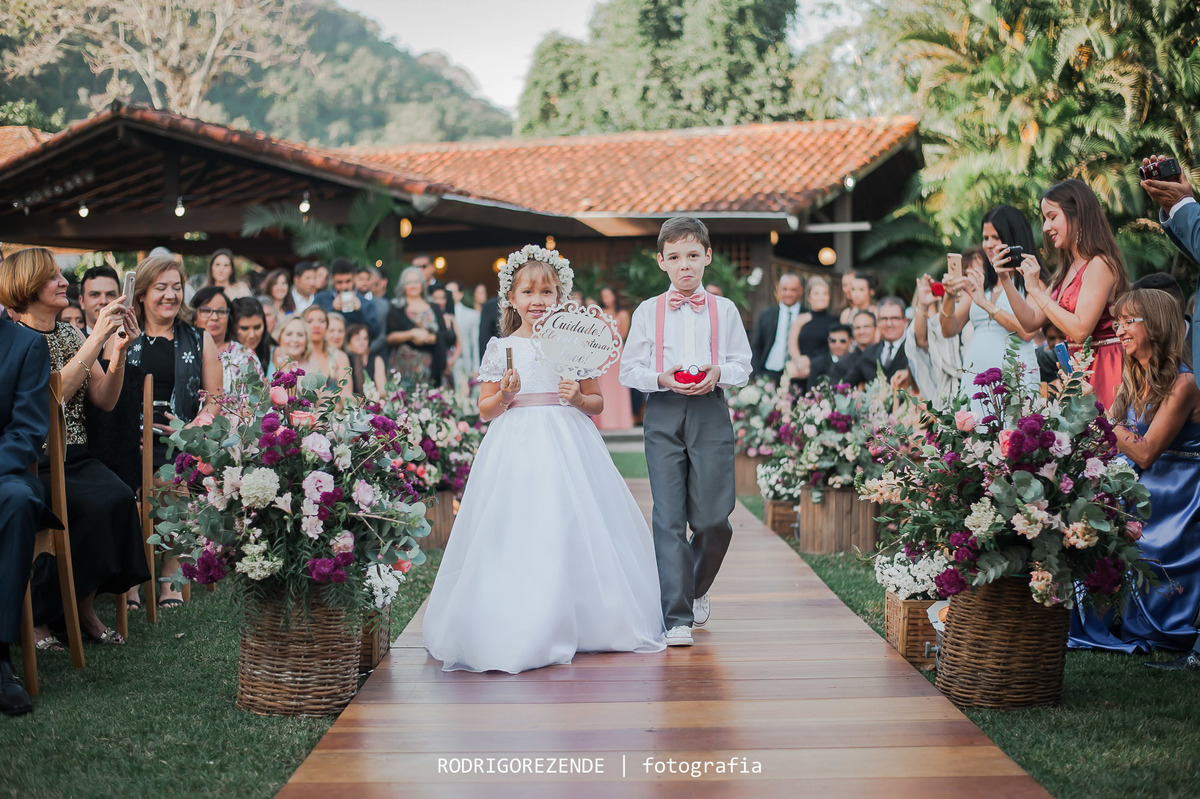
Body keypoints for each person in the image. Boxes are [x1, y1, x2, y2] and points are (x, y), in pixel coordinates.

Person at [422, 245, 665, 672]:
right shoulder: (500, 347)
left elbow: (597, 402)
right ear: (512, 299)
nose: (538, 301)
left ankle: (586, 618)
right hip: (515, 442)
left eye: (547, 292)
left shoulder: (574, 344)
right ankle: (518, 616)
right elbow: (485, 408)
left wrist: (577, 396)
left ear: (560, 297)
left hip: (568, 439)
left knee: (572, 520)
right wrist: (506, 395)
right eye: (529, 292)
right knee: (516, 524)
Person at [0, 247, 149, 646]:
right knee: (88, 507)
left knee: (118, 498)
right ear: (26, 285)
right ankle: (39, 616)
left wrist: (115, 353)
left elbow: (103, 397)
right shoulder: (16, 341)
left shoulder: (70, 334)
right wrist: (97, 335)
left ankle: (81, 606)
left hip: (77, 455)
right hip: (37, 460)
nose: (64, 282)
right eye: (53, 277)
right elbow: (53, 397)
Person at [619, 217, 753, 646]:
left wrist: (720, 372)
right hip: (662, 411)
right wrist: (662, 378)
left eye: (693, 256)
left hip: (710, 411)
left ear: (707, 257)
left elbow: (743, 365)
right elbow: (629, 369)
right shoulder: (646, 311)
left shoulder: (725, 309)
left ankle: (695, 583)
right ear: (662, 262)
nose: (685, 266)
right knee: (669, 517)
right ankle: (677, 617)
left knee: (715, 519)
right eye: (675, 258)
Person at [1068, 289, 1200, 662]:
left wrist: (1096, 409)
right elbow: (1109, 433)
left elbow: (1144, 450)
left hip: (1175, 495)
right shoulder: (1134, 375)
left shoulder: (1183, 384)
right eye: (1119, 321)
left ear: (1156, 325)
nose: (1120, 329)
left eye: (1129, 321)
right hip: (1140, 487)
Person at [124, 254, 222, 608]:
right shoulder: (121, 335)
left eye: (176, 287)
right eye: (160, 287)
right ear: (142, 293)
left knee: (173, 475)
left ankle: (169, 573)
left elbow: (215, 399)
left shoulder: (199, 339)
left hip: (181, 440)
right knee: (126, 481)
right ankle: (131, 578)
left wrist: (191, 429)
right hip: (129, 439)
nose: (170, 295)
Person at [1003, 179, 1130, 408]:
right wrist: (1005, 279)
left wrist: (1036, 291)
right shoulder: (1066, 270)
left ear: (1078, 215)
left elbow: (1081, 331)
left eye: (1052, 217)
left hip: (1104, 366)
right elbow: (1030, 323)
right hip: (1075, 369)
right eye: (1044, 219)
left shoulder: (1100, 264)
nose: (1045, 227)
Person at [942, 208, 1043, 412]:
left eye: (995, 237)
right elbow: (949, 329)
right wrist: (949, 296)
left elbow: (1027, 332)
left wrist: (986, 305)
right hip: (976, 381)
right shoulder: (984, 284)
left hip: (1015, 379)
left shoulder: (1033, 283)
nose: (988, 244)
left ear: (1013, 238)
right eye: (985, 237)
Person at [0, 312, 50, 716]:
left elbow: (28, 432)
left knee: (16, 502)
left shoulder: (26, 344)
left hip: (6, 473)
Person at [386, 266, 455, 386]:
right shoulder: (396, 308)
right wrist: (411, 333)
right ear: (403, 285)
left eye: (416, 281)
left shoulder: (434, 307)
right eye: (408, 282)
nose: (413, 285)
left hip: (430, 367)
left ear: (422, 284)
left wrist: (432, 338)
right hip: (402, 368)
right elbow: (389, 337)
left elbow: (445, 335)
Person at [905, 274, 964, 408]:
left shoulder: (964, 310)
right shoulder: (928, 319)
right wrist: (923, 306)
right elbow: (921, 341)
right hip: (946, 387)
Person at [190, 287, 262, 391]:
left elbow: (259, 400)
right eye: (206, 310)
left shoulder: (245, 356)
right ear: (194, 316)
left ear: (230, 317)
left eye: (221, 311)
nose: (214, 317)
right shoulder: (183, 352)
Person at [842, 297, 910, 388]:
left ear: (905, 322)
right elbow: (846, 385)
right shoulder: (869, 352)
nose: (889, 324)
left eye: (895, 318)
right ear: (877, 322)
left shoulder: (916, 351)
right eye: (884, 319)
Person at [785, 276, 839, 390]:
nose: (821, 297)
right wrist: (799, 362)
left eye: (825, 293)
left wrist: (811, 363)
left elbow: (833, 348)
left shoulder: (835, 321)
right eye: (817, 293)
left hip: (823, 373)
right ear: (809, 297)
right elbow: (792, 344)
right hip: (800, 373)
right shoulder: (801, 319)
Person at [594, 286, 634, 430]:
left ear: (614, 296)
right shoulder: (600, 314)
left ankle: (621, 420)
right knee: (604, 385)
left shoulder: (622, 314)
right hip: (603, 352)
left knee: (619, 385)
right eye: (603, 296)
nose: (606, 299)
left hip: (617, 352)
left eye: (608, 295)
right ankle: (605, 421)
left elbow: (622, 335)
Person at [750, 273, 802, 383]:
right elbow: (757, 346)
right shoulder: (766, 314)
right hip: (769, 372)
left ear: (800, 291)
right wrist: (757, 374)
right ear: (778, 290)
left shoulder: (806, 315)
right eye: (785, 289)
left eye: (793, 290)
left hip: (798, 375)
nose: (788, 293)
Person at [314, 258, 380, 341]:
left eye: (348, 281)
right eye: (339, 282)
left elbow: (375, 333)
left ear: (355, 277)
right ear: (332, 279)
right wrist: (332, 309)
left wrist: (359, 312)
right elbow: (312, 328)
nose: (344, 286)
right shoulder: (320, 299)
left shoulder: (366, 303)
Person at [299, 305, 352, 401]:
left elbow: (347, 395)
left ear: (327, 326)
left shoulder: (339, 356)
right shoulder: (297, 357)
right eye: (310, 321)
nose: (316, 325)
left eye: (321, 321)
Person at [445, 281, 480, 395]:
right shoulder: (439, 314)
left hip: (463, 362)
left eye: (452, 292)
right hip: (445, 363)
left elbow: (475, 343)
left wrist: (476, 368)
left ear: (460, 294)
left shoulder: (472, 315)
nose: (448, 295)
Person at [232, 297, 272, 374]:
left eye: (257, 327)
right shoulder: (224, 357)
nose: (252, 335)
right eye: (244, 328)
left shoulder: (274, 352)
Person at [345, 324, 387, 395]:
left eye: (365, 339)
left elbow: (382, 389)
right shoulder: (345, 359)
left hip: (373, 402)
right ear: (349, 343)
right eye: (357, 339)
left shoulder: (376, 360)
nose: (362, 342)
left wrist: (372, 398)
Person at [78, 265, 120, 335]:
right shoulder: (71, 342)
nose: (103, 301)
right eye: (95, 295)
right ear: (81, 301)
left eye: (110, 294)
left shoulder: (135, 340)